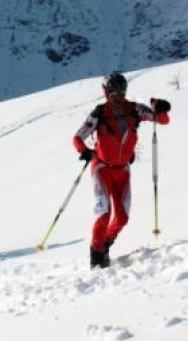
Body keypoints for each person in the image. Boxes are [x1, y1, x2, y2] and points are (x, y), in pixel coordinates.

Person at [73, 71, 171, 268]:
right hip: (101, 169)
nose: (117, 97)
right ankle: (96, 255)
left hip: (123, 171)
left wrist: (160, 108)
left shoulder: (134, 110)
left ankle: (105, 245)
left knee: (122, 218)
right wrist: (84, 151)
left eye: (121, 93)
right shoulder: (99, 113)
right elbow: (77, 137)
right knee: (103, 214)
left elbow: (162, 120)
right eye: (113, 94)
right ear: (106, 93)